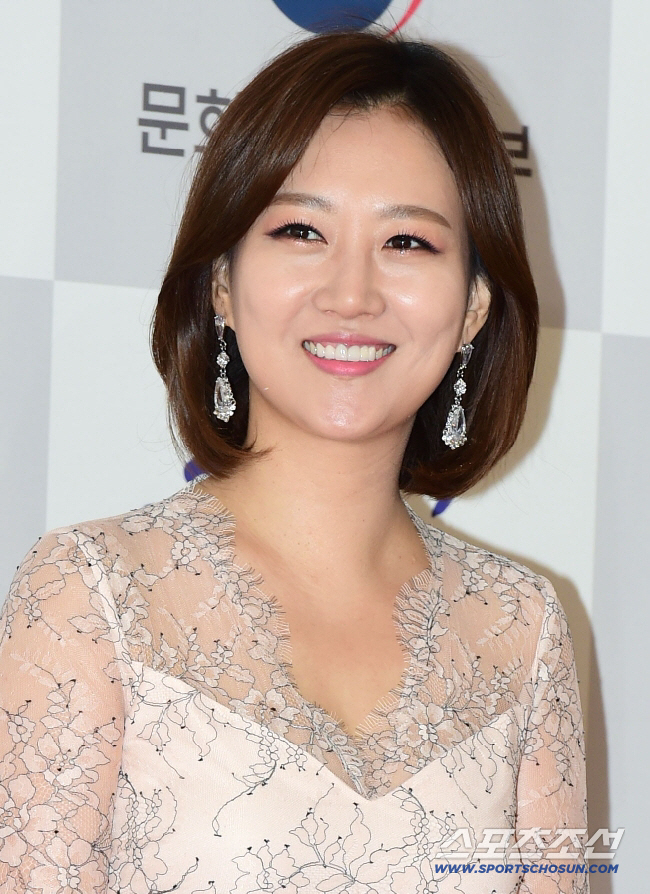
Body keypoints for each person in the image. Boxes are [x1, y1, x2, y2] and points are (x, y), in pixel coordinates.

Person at [0, 30, 588, 894]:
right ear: (223, 284)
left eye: (408, 243)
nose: (351, 295)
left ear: (473, 307)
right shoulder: (90, 593)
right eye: (302, 230)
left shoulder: (524, 628)